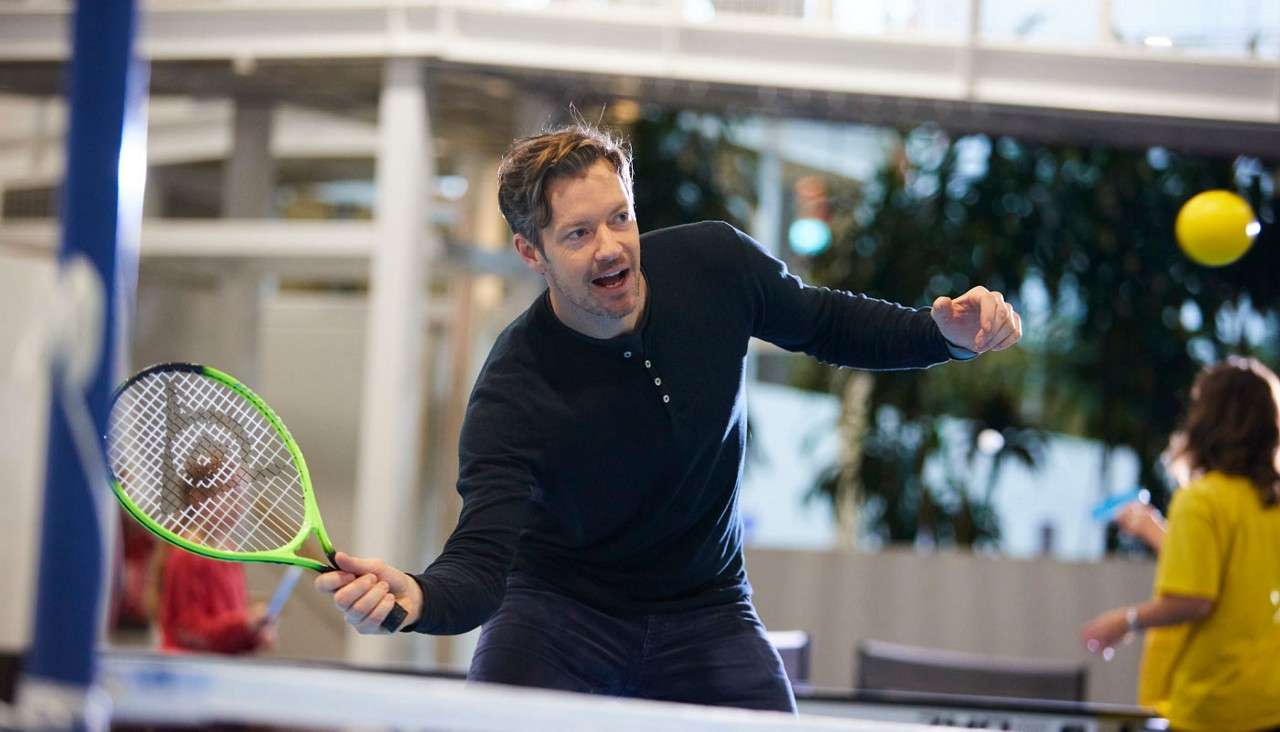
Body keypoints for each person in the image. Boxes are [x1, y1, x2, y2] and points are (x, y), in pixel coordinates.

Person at [315, 123, 1021, 711]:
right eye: (578, 234)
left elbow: (827, 322)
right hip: (559, 614)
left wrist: (942, 336)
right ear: (532, 253)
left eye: (620, 217)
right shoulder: (513, 390)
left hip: (705, 608)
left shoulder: (716, 266)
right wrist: (416, 596)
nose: (612, 248)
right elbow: (481, 561)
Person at [1081, 357, 1280, 731]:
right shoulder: (1270, 503)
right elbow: (1232, 574)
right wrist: (1155, 531)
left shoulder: (1201, 500)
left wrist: (1125, 621)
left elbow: (1196, 598)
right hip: (1270, 703)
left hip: (1214, 705)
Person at [154, 447, 275, 654]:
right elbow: (188, 633)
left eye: (242, 494)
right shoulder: (187, 553)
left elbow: (227, 635)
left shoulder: (230, 551)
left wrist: (254, 633)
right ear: (199, 498)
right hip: (188, 674)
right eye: (231, 493)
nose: (240, 503)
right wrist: (244, 623)